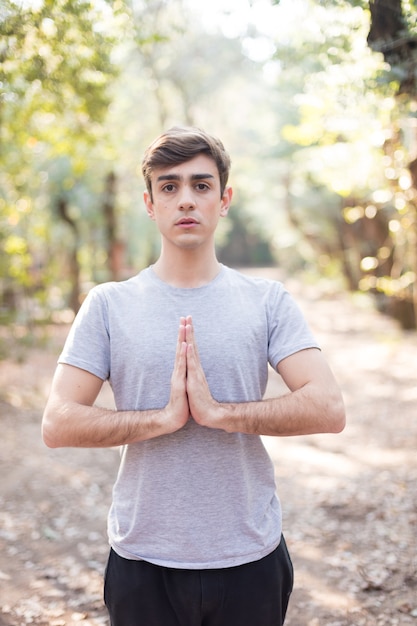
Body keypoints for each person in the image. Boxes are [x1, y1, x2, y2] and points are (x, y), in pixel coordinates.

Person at [42, 126, 345, 626]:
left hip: (250, 555)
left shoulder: (267, 300)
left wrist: (222, 414)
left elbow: (329, 408)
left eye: (201, 185)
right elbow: (57, 423)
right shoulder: (108, 305)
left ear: (224, 199)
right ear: (149, 203)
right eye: (170, 186)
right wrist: (160, 420)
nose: (186, 199)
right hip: (143, 561)